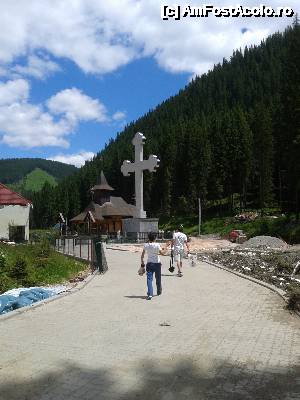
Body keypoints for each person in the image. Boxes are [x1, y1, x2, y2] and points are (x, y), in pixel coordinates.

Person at [141, 232, 166, 300]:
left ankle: (150, 294)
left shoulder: (146, 245)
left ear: (149, 238)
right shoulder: (157, 245)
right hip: (157, 264)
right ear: (155, 238)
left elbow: (142, 256)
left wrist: (142, 264)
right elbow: (163, 253)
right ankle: (158, 291)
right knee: (158, 278)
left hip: (149, 264)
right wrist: (166, 247)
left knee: (149, 279)